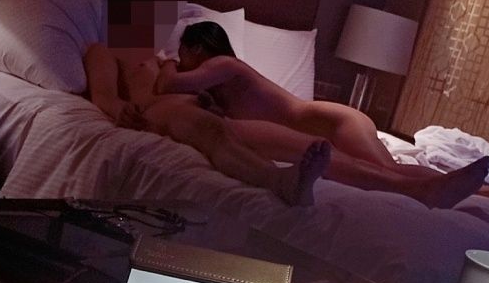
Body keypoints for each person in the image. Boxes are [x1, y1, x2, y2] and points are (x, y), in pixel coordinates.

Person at [153, 21, 489, 207]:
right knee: (388, 167)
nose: (181, 60)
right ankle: (487, 193)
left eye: (183, 53)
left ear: (195, 47)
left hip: (334, 122)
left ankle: (468, 191)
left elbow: (167, 85)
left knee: (387, 169)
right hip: (327, 121)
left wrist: (166, 61)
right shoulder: (220, 83)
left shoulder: (221, 65)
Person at [84, 42, 329, 207]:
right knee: (214, 133)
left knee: (233, 135)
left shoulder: (160, 59)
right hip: (160, 111)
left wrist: (207, 102)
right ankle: (279, 181)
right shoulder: (104, 50)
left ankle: (291, 174)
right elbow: (104, 97)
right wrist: (123, 111)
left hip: (195, 110)